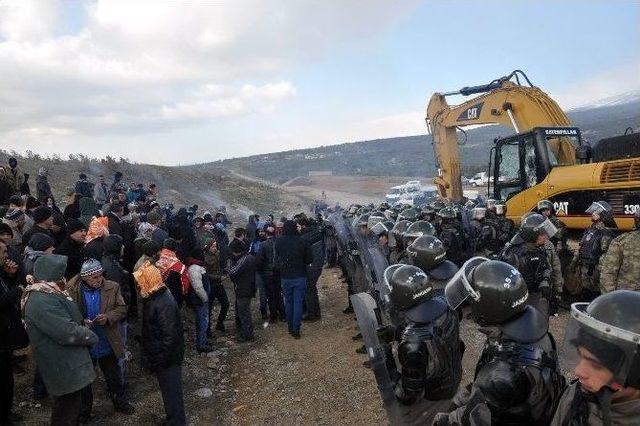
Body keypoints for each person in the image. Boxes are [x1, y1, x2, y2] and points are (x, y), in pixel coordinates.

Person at [435, 259, 565, 425]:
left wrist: (443, 420)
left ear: (487, 307)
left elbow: (475, 419)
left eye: (472, 302)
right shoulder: (535, 332)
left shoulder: (501, 373)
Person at [22, 254, 99, 426]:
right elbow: (66, 331)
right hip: (62, 366)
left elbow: (61, 319)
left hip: (65, 364)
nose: (64, 278)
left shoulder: (46, 292)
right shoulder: (42, 300)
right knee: (65, 412)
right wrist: (90, 335)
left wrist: (80, 322)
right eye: (61, 274)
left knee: (71, 407)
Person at [551, 290, 640, 425]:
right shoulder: (576, 394)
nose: (578, 371)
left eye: (596, 365)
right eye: (581, 356)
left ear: (635, 374)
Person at [66, 259, 134, 420]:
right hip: (84, 343)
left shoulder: (112, 287)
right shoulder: (72, 290)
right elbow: (66, 314)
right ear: (84, 278)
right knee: (84, 381)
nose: (99, 280)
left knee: (113, 377)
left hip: (106, 340)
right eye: (94, 278)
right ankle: (84, 411)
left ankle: (120, 403)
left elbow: (122, 308)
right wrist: (81, 322)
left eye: (100, 276)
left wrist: (109, 317)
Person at [133, 261, 186, 426]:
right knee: (169, 391)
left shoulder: (162, 302)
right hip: (164, 356)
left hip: (167, 359)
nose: (139, 285)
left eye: (141, 281)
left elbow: (169, 337)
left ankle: (176, 421)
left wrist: (159, 359)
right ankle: (173, 418)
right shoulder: (157, 296)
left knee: (172, 392)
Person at [501, 213, 556, 317]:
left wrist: (545, 279)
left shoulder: (540, 248)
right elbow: (506, 285)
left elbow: (546, 267)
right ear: (531, 234)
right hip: (519, 300)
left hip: (536, 295)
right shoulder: (513, 254)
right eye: (542, 234)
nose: (546, 236)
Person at [0, 241, 29, 425]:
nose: (6, 254)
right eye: (3, 251)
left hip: (5, 336)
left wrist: (12, 275)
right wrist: (17, 291)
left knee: (7, 379)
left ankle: (6, 412)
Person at [569, 201, 616, 301]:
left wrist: (602, 274)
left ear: (602, 215)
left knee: (594, 295)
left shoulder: (605, 233)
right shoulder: (590, 229)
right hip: (585, 268)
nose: (592, 213)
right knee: (585, 292)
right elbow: (581, 247)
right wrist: (573, 263)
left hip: (595, 271)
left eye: (596, 212)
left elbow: (606, 255)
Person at [275, 220, 312, 338]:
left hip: (285, 276)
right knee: (298, 302)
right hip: (300, 275)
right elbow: (309, 259)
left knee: (288, 302)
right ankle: (296, 329)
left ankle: (290, 327)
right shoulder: (302, 241)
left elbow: (277, 258)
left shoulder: (279, 241)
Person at [599, 208, 640, 293]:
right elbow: (608, 274)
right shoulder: (622, 241)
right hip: (627, 299)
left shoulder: (622, 241)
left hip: (626, 299)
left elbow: (607, 274)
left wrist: (612, 301)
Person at [226, 239, 258, 342]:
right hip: (246, 287)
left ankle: (247, 334)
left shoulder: (245, 259)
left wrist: (229, 261)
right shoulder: (248, 257)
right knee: (244, 311)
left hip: (244, 288)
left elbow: (232, 272)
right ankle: (246, 332)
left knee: (244, 312)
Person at [203, 238, 228, 334]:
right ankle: (207, 330)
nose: (215, 248)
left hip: (219, 284)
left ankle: (220, 323)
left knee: (226, 304)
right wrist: (219, 277)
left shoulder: (217, 253)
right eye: (213, 246)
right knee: (208, 308)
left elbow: (219, 266)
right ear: (208, 247)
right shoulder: (205, 257)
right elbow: (206, 273)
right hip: (210, 285)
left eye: (215, 246)